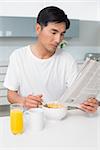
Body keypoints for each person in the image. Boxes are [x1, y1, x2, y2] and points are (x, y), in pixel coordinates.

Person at [4, 6, 99, 112]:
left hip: (59, 118)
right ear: (38, 29)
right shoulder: (18, 56)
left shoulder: (67, 60)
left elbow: (77, 96)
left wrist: (90, 103)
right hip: (30, 118)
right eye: (53, 32)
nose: (58, 39)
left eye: (62, 34)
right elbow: (11, 94)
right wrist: (24, 101)